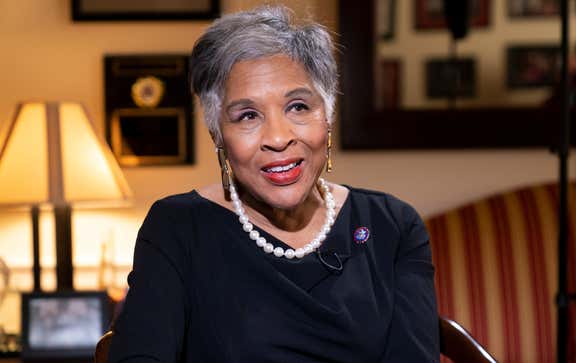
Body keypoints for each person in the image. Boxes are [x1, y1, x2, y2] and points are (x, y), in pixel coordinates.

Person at [107, 5, 439, 362]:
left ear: (326, 117)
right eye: (248, 115)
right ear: (219, 134)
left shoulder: (393, 226)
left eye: (298, 107)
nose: (278, 138)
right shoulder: (177, 228)